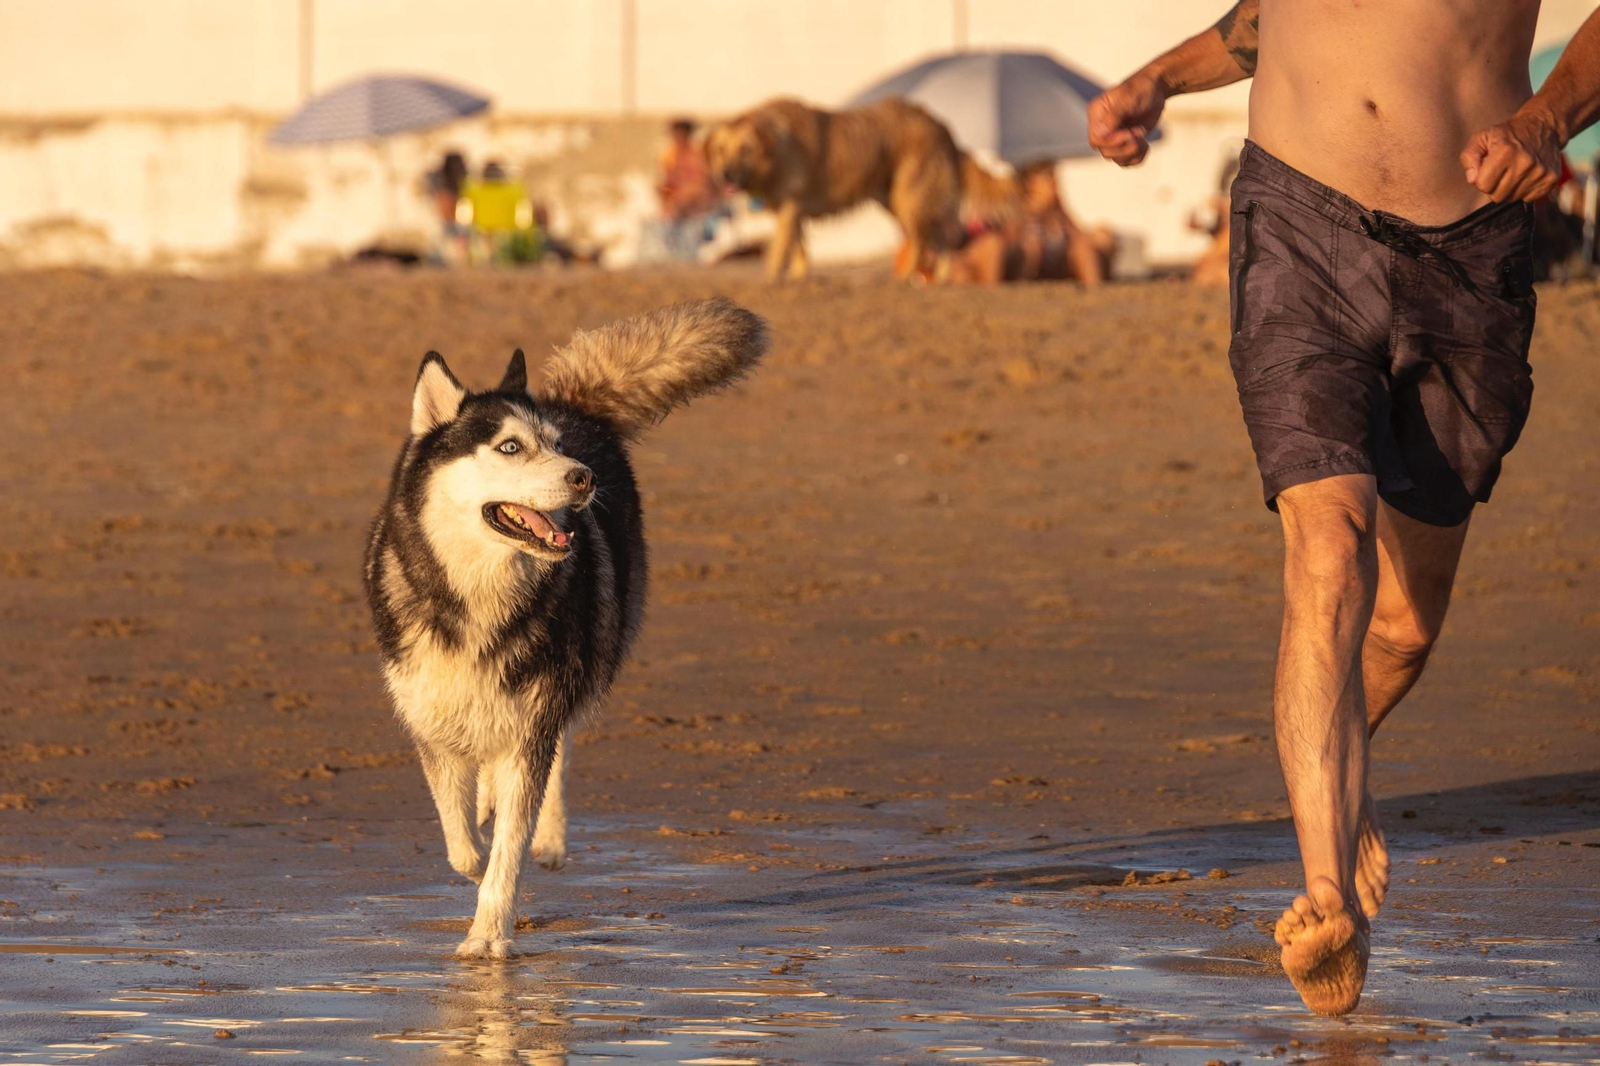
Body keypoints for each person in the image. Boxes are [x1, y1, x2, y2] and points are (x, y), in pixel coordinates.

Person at [1088, 0, 1600, 1017]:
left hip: (1470, 254)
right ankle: (1326, 890)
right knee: (1329, 549)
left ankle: (1338, 774)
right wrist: (1157, 79)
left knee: (1404, 630)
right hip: (1297, 227)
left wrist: (1546, 119)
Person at [951, 161, 1112, 285]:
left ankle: (1096, 292)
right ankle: (1003, 291)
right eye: (1048, 178)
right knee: (1022, 245)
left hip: (1050, 261)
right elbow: (1009, 237)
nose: (1055, 184)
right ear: (1033, 183)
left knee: (1088, 245)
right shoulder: (1022, 209)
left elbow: (1078, 234)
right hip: (1021, 260)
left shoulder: (1059, 212)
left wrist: (1099, 236)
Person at [654, 118, 721, 260]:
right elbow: (666, 183)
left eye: (680, 134)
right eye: (674, 135)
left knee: (685, 201)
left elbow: (707, 182)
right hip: (678, 203)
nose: (677, 138)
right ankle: (671, 251)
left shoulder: (699, 155)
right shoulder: (669, 156)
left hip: (701, 201)